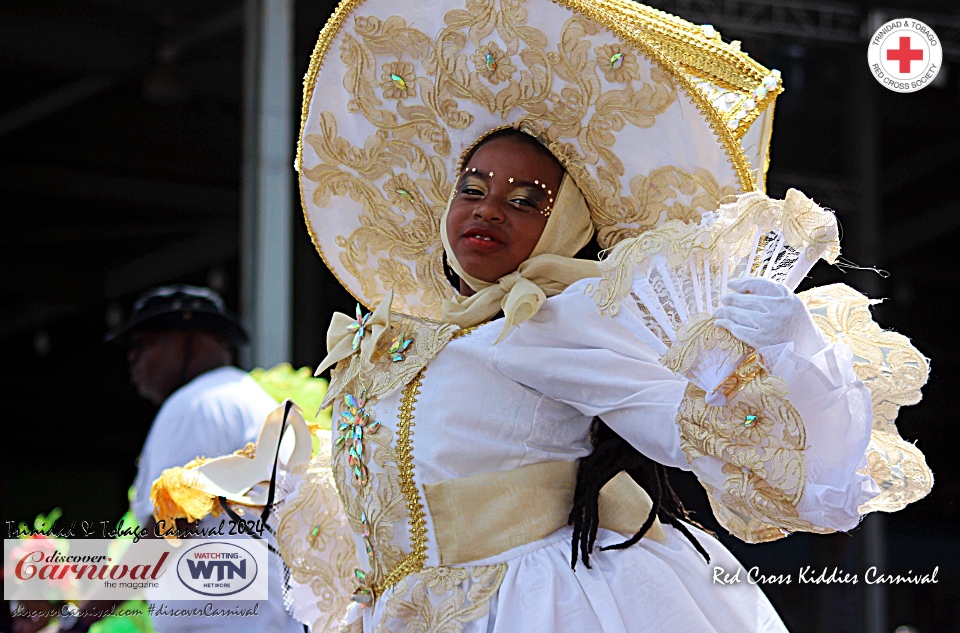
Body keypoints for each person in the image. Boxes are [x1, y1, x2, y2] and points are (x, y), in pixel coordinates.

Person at [150, 2, 933, 631]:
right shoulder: (412, 342)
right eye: (474, 186)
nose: (490, 209)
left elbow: (700, 434)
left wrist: (792, 357)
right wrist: (271, 486)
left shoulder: (555, 320)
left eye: (528, 201)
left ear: (566, 231)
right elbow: (393, 506)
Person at [58, 285, 301, 633]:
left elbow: (171, 529)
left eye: (146, 342)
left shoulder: (198, 405)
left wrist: (78, 620)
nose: (133, 357)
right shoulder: (248, 399)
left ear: (193, 342)